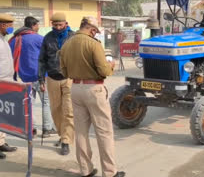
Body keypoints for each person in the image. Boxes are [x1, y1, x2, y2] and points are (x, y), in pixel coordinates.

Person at [60, 17, 125, 177]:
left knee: (81, 132)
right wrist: (110, 67)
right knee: (104, 132)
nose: (95, 33)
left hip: (75, 88)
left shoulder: (67, 44)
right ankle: (110, 172)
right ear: (91, 29)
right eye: (95, 31)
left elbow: (64, 72)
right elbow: (103, 71)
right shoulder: (93, 44)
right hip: (94, 90)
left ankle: (86, 170)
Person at [9, 16, 56, 138]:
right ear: (33, 25)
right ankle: (47, 129)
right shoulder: (39, 38)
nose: (38, 27)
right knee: (46, 102)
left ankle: (32, 129)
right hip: (40, 77)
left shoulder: (14, 39)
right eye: (37, 25)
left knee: (29, 103)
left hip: (24, 77)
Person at [38, 12, 74, 155]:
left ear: (66, 23)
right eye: (55, 25)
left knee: (69, 111)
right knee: (55, 110)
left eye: (60, 24)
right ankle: (62, 134)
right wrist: (41, 79)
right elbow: (41, 60)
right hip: (52, 78)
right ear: (52, 24)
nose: (58, 27)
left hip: (69, 78)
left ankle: (66, 140)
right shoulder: (48, 38)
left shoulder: (73, 37)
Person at [0, 13, 18, 159]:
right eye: (10, 25)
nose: (12, 28)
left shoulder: (4, 39)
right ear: (2, 25)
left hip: (6, 82)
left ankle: (1, 142)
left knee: (3, 115)